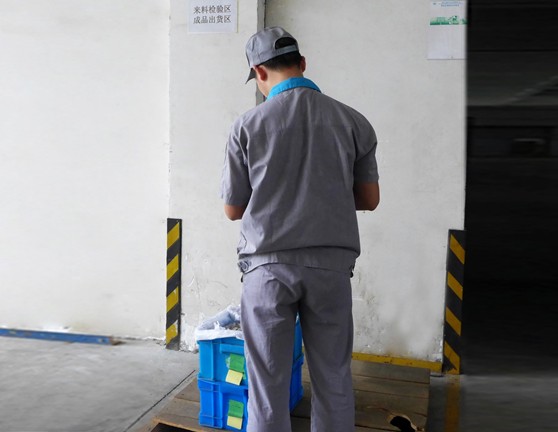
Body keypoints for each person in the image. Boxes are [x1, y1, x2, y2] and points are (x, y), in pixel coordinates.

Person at [220, 26, 380, 432]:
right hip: (330, 268)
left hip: (267, 269)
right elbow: (369, 198)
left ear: (259, 73)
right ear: (303, 63)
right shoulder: (353, 121)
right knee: (334, 377)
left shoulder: (247, 125)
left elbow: (233, 209)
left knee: (267, 387)